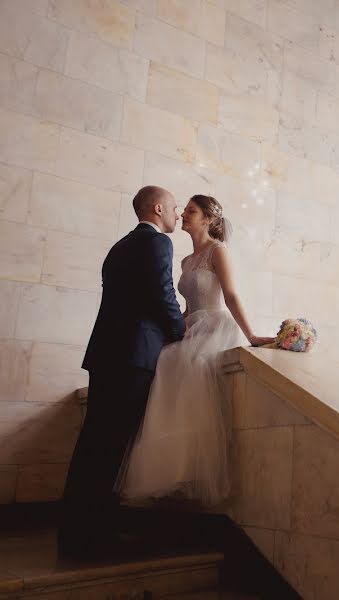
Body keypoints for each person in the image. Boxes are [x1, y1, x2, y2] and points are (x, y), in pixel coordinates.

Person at [117, 194, 274, 506]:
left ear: (208, 220)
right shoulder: (187, 260)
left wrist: (252, 335)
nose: (183, 215)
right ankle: (174, 470)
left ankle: (194, 470)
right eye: (184, 210)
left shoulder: (219, 251)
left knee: (187, 366)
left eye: (191, 211)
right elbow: (187, 309)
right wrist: (171, 332)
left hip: (216, 325)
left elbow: (229, 295)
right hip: (193, 325)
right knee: (167, 360)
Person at [60, 185, 186, 556]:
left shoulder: (119, 246)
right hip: (133, 355)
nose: (177, 215)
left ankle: (74, 530)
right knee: (110, 446)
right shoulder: (158, 244)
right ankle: (94, 536)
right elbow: (162, 293)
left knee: (93, 444)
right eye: (175, 208)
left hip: (106, 354)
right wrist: (180, 329)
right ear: (158, 208)